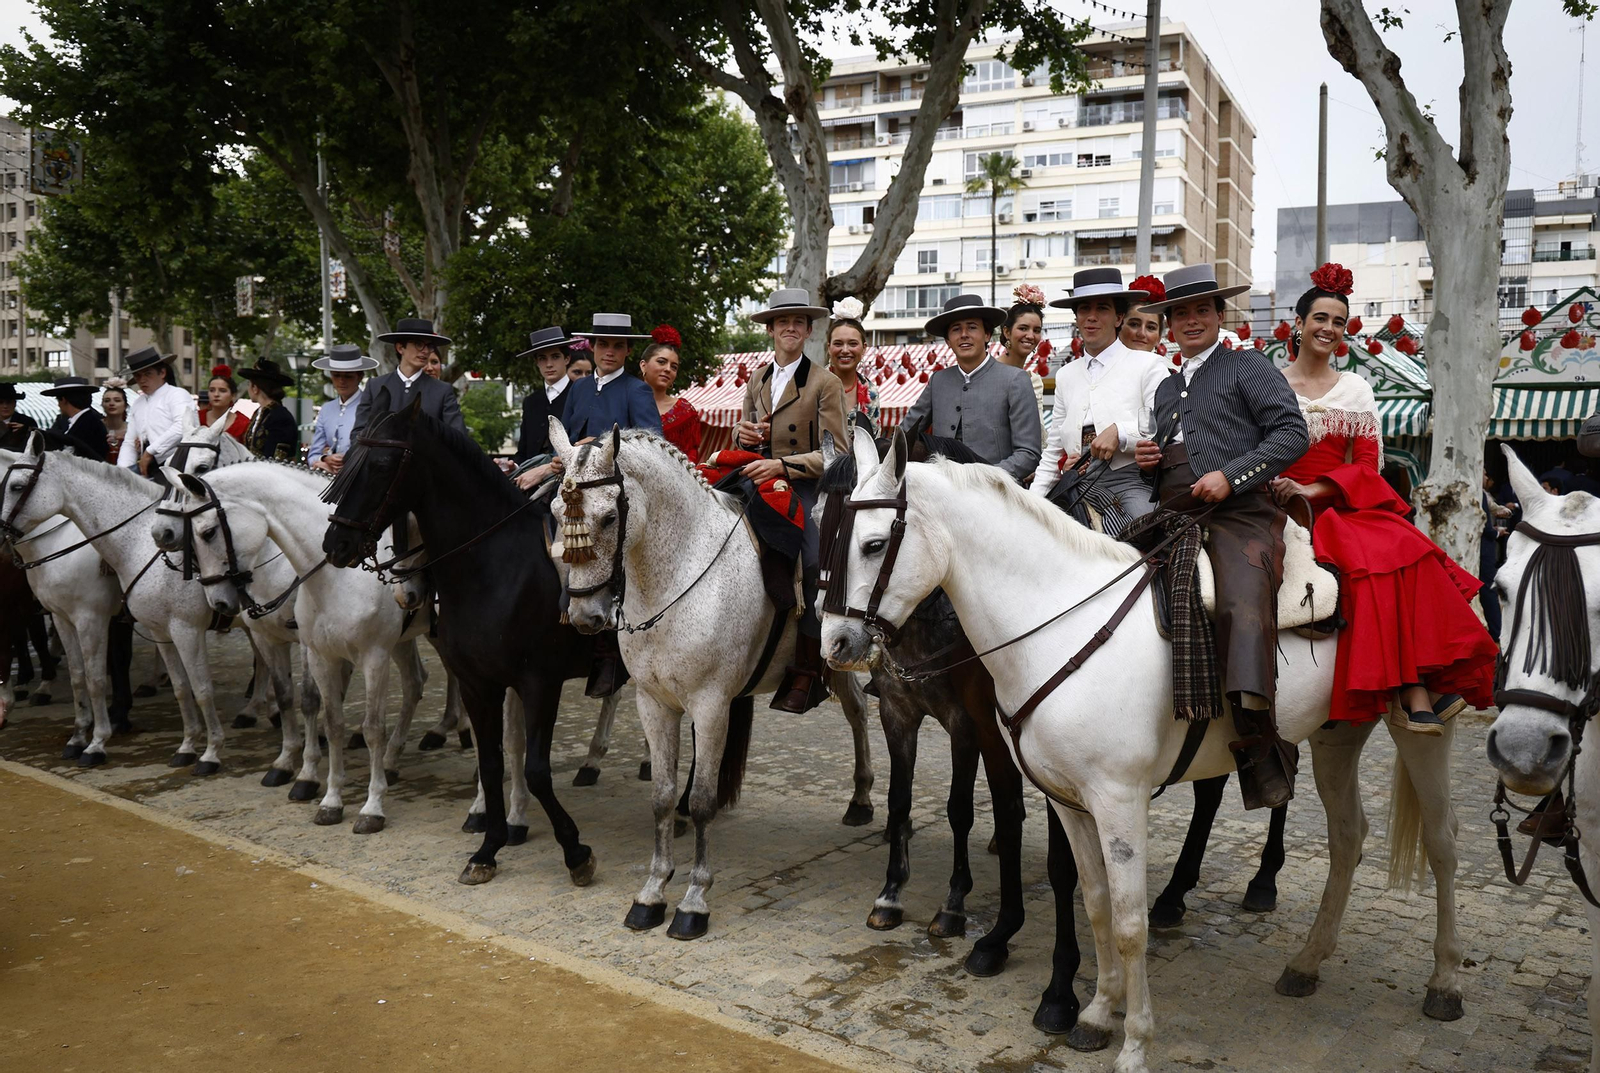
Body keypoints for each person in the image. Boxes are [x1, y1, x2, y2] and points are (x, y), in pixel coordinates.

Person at [1268, 263, 1496, 737]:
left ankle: (1416, 684)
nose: (1328, 329)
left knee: (1401, 549)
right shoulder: (1266, 383)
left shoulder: (1357, 389)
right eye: (1320, 319)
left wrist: (1313, 488)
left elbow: (1367, 465)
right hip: (1274, 505)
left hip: (1334, 503)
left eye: (1338, 322)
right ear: (1299, 323)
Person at [1134, 263, 1309, 810]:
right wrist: (1148, 462)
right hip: (1174, 509)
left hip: (1242, 512)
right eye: (1179, 313)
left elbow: (1292, 434)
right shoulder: (1165, 387)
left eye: (1200, 311)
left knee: (1240, 600)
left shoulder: (1246, 364)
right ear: (1168, 323)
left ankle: (1259, 739)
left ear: (1219, 315)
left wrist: (1230, 477)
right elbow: (1167, 461)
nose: (1190, 321)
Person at [738, 288, 848, 713]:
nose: (790, 327)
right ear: (770, 329)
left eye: (798, 322)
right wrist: (741, 436)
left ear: (807, 330)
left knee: (815, 560)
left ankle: (807, 670)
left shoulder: (825, 382)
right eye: (782, 321)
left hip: (803, 485)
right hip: (754, 478)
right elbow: (744, 429)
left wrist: (782, 468)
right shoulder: (757, 378)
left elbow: (837, 453)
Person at [1033, 269, 1167, 533]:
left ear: (1118, 317)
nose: (1091, 317)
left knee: (1147, 538)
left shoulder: (1148, 364)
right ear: (1077, 317)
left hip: (1130, 481)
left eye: (1102, 308)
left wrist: (1120, 432)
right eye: (1084, 309)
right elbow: (1054, 450)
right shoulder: (1066, 375)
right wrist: (1032, 500)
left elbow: (1162, 424)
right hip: (1075, 480)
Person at [901, 294, 1041, 483]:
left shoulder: (1015, 379)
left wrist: (985, 479)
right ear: (948, 341)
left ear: (987, 334)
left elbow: (1028, 453)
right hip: (942, 495)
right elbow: (904, 435)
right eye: (956, 329)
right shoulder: (938, 381)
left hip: (997, 496)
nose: (964, 334)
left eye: (972, 327)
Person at [354, 318, 466, 436]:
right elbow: (358, 433)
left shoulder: (442, 390)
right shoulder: (375, 386)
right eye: (419, 344)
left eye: (429, 346)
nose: (426, 351)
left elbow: (458, 438)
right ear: (400, 348)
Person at [561, 313, 662, 442]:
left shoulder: (637, 390)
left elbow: (654, 444)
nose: (609, 352)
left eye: (618, 346)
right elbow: (563, 434)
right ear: (592, 347)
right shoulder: (579, 386)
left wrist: (602, 444)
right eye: (603, 344)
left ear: (628, 350)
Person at [506, 326, 574, 491]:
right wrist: (512, 465)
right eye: (542, 358)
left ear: (567, 359)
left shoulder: (579, 394)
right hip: (530, 485)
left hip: (568, 484)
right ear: (536, 362)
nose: (549, 364)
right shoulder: (531, 401)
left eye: (555, 357)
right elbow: (523, 450)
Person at [117, 347, 194, 475]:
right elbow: (130, 442)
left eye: (148, 374)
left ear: (162, 373)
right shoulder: (138, 403)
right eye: (138, 376)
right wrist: (123, 471)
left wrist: (150, 451)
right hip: (149, 467)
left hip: (181, 465)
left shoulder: (177, 394)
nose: (142, 380)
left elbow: (182, 426)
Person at [307, 344, 378, 473]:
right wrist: (325, 460)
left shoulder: (371, 407)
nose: (341, 381)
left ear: (360, 377)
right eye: (336, 375)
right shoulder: (326, 409)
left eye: (348, 376)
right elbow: (312, 456)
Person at [641, 324, 702, 463]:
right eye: (661, 362)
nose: (668, 369)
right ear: (643, 365)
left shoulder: (684, 411)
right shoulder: (623, 402)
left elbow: (691, 458)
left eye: (674, 367)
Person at [997, 283, 1048, 433]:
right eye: (1023, 328)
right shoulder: (988, 373)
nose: (1031, 336)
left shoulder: (1034, 381)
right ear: (1007, 332)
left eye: (1036, 330)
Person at [826, 299, 879, 434]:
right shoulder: (813, 385)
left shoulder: (871, 391)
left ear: (864, 348)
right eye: (838, 344)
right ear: (829, 348)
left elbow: (875, 441)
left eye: (852, 344)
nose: (845, 350)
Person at [237, 358, 301, 461]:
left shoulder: (280, 417)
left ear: (255, 388)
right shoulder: (259, 413)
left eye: (249, 384)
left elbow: (275, 460)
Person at [1480, 471, 1516, 643]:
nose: (1487, 478)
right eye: (1484, 473)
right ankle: (1497, 631)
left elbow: (1493, 508)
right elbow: (1486, 529)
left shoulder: (1483, 494)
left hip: (1479, 550)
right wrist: (1496, 533)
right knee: (1489, 589)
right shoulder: (1478, 493)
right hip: (1483, 551)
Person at [42, 376, 109, 462]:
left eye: (58, 400)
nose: (58, 405)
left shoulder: (90, 422)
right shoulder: (79, 421)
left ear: (63, 400)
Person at [198, 365, 251, 442]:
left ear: (233, 395)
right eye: (212, 390)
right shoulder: (197, 418)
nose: (216, 394)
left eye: (222, 390)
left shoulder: (243, 423)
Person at [1119, 277, 1167, 353]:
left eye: (1151, 327)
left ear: (1159, 338)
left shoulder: (1161, 365)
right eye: (1134, 324)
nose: (1141, 334)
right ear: (1119, 325)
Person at [100, 382, 129, 460]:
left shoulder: (132, 428)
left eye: (117, 400)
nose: (111, 404)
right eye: (107, 400)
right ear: (102, 405)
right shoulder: (96, 426)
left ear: (125, 405)